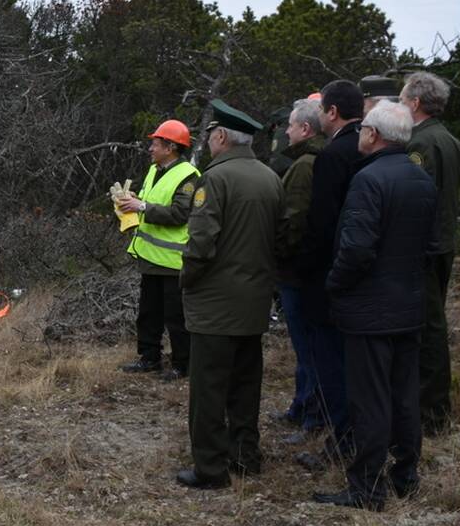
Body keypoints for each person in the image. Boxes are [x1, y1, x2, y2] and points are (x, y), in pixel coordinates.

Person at [312, 101, 438, 511]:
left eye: (365, 128)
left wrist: (334, 284)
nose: (361, 133)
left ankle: (366, 486)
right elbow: (431, 246)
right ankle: (405, 475)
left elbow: (357, 250)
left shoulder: (368, 181)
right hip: (408, 304)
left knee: (370, 399)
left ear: (374, 135)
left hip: (369, 310)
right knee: (404, 395)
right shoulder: (421, 179)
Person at [176, 100, 285, 489]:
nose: (208, 141)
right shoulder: (270, 177)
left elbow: (201, 242)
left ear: (221, 136)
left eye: (210, 135)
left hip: (215, 305)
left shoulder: (215, 179)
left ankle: (210, 468)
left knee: (208, 389)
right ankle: (245, 457)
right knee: (245, 385)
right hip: (254, 301)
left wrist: (187, 279)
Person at [296, 80, 363, 471]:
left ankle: (342, 441)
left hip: (329, 279)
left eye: (322, 110)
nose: (319, 116)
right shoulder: (370, 147)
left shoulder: (333, 155)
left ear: (333, 112)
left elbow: (320, 225)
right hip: (361, 278)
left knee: (332, 365)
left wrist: (305, 275)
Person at [400, 72, 460, 434]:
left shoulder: (421, 144)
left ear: (415, 103)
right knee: (432, 322)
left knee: (428, 329)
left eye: (404, 98)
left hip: (426, 245)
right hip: (443, 241)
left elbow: (415, 198)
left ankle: (431, 413)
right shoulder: (451, 140)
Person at [117, 120, 200, 381]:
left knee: (176, 317)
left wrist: (141, 207)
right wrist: (127, 207)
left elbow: (179, 214)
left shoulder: (188, 177)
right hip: (150, 258)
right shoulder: (155, 170)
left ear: (171, 147)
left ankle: (182, 365)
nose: (151, 148)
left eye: (156, 143)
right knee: (148, 313)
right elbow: (146, 202)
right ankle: (149, 358)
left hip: (174, 262)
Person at [275, 98, 326, 438]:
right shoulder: (311, 160)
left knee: (308, 348)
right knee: (306, 347)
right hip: (302, 271)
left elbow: (294, 221)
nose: (287, 132)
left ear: (305, 129)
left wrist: (277, 256)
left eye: (291, 126)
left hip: (297, 273)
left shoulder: (305, 165)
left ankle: (311, 415)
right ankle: (300, 406)